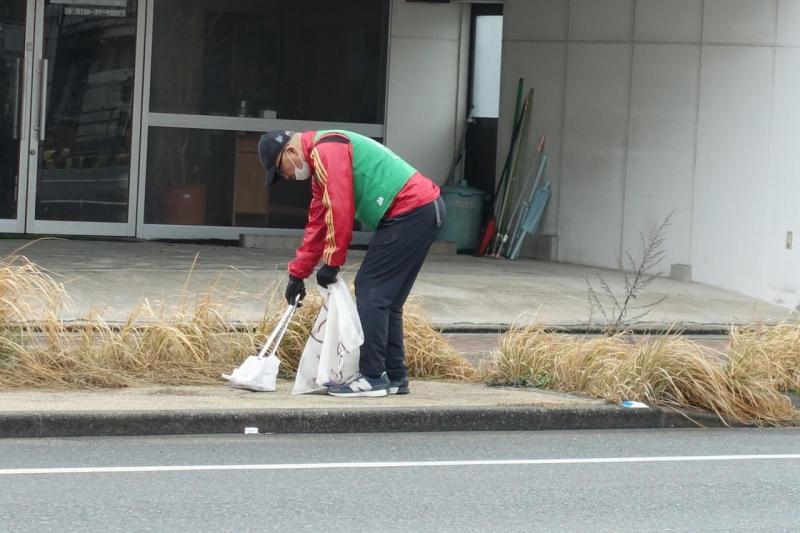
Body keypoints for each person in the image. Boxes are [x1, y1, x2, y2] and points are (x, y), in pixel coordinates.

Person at [257, 129, 445, 397]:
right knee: (387, 300)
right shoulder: (320, 159)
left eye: (281, 171)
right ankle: (394, 376)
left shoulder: (325, 151)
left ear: (290, 152)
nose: (286, 177)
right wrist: (298, 274)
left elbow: (340, 206)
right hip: (425, 209)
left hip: (410, 210)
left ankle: (372, 377)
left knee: (372, 291)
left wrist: (332, 263)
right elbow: (319, 220)